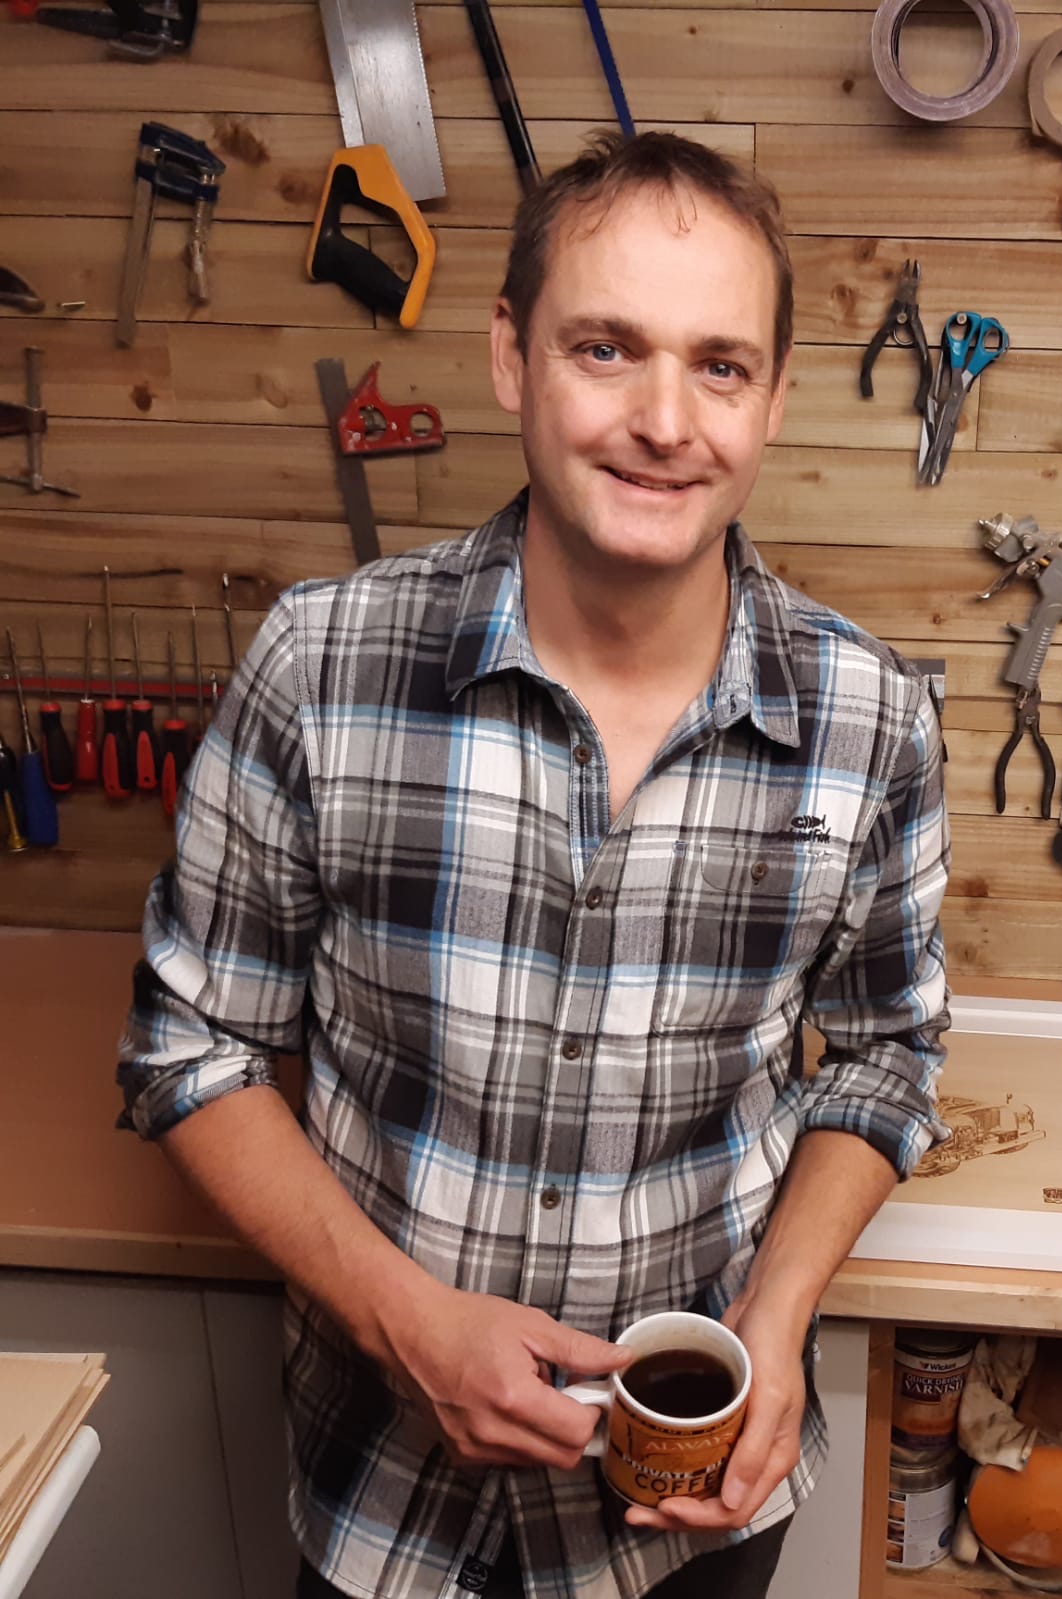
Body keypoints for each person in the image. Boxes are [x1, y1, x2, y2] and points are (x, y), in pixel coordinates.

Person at [117, 130, 950, 1599]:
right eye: (606, 349)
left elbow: (887, 1057)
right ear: (511, 356)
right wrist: (403, 1322)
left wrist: (778, 1314)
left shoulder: (871, 721)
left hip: (691, 1516)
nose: (663, 421)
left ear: (773, 399)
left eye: (720, 366)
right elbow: (189, 1052)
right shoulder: (320, 669)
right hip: (383, 1498)